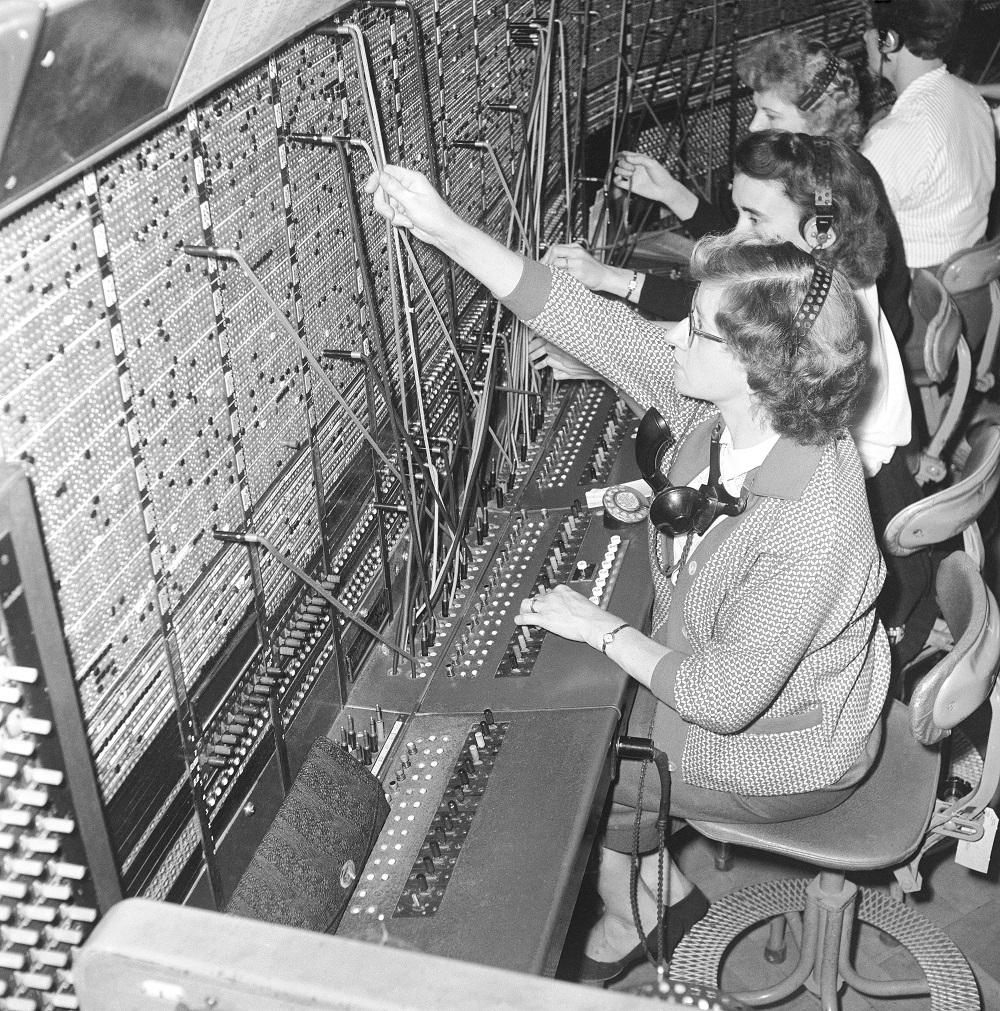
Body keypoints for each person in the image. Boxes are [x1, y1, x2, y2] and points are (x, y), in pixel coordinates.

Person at [365, 164, 891, 981]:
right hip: (741, 685)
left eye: (696, 329)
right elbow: (584, 319)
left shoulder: (813, 527)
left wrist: (599, 624)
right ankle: (647, 887)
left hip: (788, 747)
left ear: (760, 370)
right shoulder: (731, 411)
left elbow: (720, 699)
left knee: (577, 767)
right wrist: (442, 227)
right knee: (594, 728)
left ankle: (635, 899)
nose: (674, 337)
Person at [567, 29, 913, 347]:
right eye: (756, 110)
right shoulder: (829, 174)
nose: (754, 125)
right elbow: (751, 238)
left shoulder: (830, 203)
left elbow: (739, 307)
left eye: (771, 115)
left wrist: (610, 279)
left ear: (818, 120)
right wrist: (670, 193)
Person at [861, 0, 994, 276]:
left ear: (889, 40)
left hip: (920, 295)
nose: (865, 37)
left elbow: (849, 234)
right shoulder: (971, 98)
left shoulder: (892, 138)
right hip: (977, 287)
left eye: (871, 28)